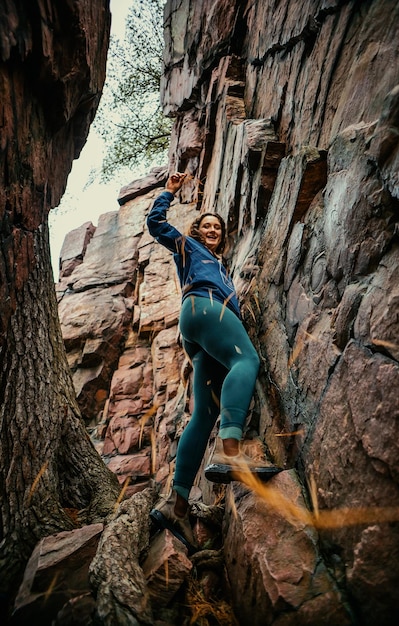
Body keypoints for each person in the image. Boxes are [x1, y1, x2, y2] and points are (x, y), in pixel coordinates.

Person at [147, 172, 280, 552]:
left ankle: (177, 503)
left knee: (204, 413)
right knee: (247, 361)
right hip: (206, 310)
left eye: (217, 227)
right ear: (196, 231)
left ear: (223, 235)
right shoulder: (188, 247)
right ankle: (230, 450)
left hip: (198, 331)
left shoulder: (218, 265)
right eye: (205, 225)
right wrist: (168, 192)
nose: (211, 230)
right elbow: (156, 225)